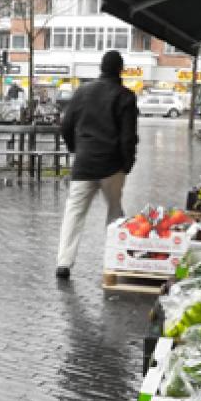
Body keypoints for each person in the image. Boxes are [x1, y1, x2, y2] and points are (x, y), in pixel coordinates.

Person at [54, 50, 138, 280]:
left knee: (74, 211)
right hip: (112, 166)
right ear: (120, 69)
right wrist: (127, 163)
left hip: (84, 163)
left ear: (100, 68)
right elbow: (128, 136)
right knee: (114, 212)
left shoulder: (82, 92)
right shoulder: (125, 97)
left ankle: (64, 263)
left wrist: (76, 149)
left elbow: (65, 126)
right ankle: (114, 259)